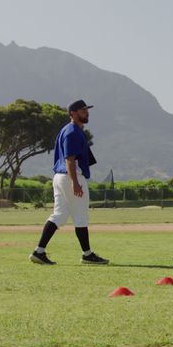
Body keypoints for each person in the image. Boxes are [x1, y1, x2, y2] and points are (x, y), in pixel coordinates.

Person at [30, 100, 109, 265]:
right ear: (72, 113)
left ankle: (39, 252)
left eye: (86, 109)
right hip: (70, 176)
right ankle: (87, 255)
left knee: (59, 215)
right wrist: (75, 182)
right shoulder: (72, 131)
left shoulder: (71, 130)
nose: (86, 112)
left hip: (61, 177)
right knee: (81, 216)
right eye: (82, 110)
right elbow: (70, 159)